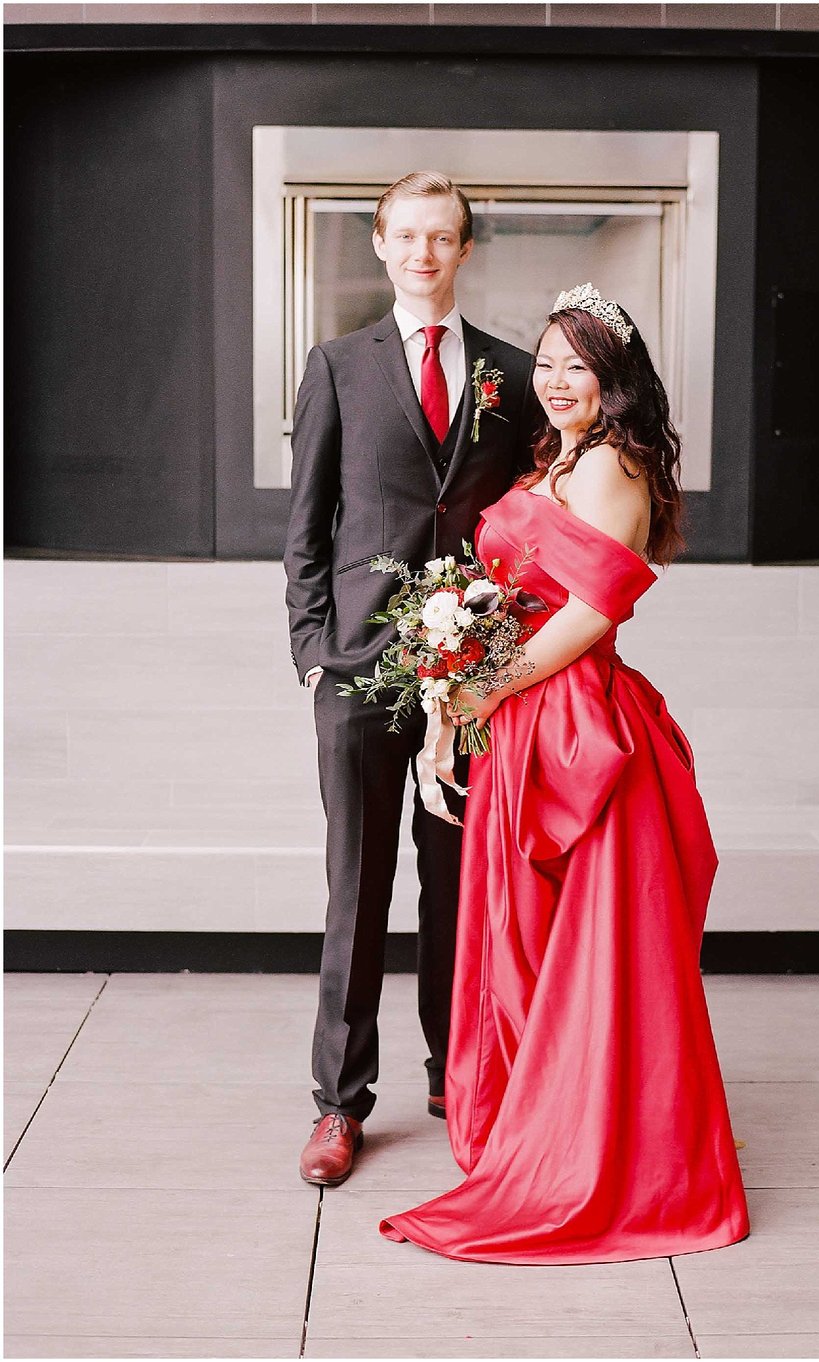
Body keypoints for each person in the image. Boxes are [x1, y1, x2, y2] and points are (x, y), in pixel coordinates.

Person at [379, 284, 750, 1262]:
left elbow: (592, 612)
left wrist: (486, 685)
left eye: (574, 366)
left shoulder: (615, 467)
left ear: (612, 379)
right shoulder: (559, 459)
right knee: (526, 942)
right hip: (523, 722)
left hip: (580, 725)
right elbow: (511, 594)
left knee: (589, 948)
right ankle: (536, 1123)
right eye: (543, 364)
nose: (553, 382)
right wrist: (451, 681)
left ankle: (600, 1151)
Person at [284, 171, 535, 1188]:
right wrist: (312, 652)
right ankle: (340, 1106)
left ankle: (456, 1076)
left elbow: (528, 522)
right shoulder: (339, 366)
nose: (425, 253)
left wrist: (505, 650)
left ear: (465, 250)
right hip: (357, 670)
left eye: (444, 237)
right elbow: (306, 527)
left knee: (457, 889)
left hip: (469, 679)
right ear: (381, 243)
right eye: (408, 235)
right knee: (357, 887)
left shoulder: (513, 377)